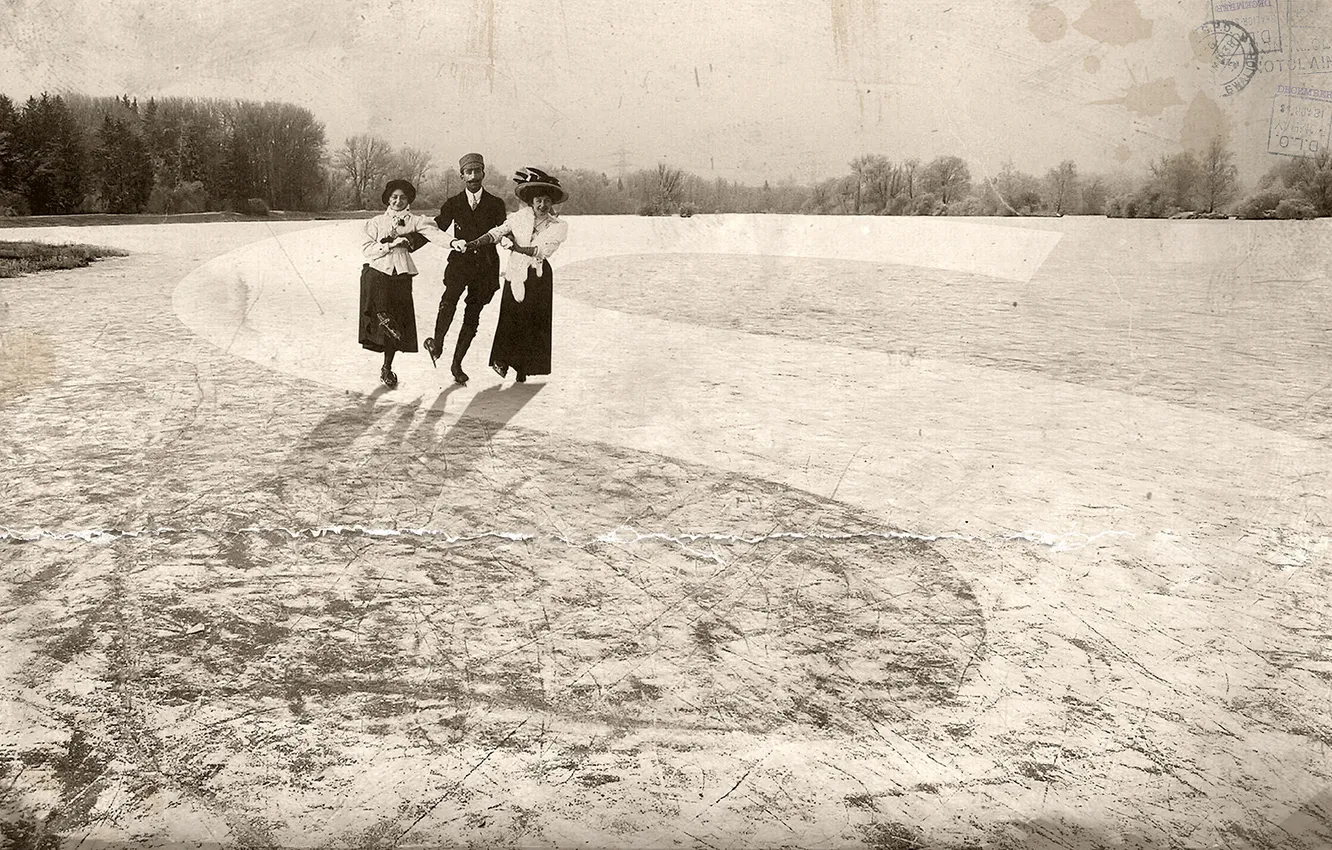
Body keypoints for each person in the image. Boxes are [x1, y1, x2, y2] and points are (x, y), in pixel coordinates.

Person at [464, 167, 569, 383]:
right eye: (539, 200)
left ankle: (524, 368)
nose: (542, 205)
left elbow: (541, 250)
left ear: (552, 203)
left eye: (547, 201)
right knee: (510, 316)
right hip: (516, 271)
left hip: (538, 275)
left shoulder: (559, 226)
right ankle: (502, 360)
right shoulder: (519, 217)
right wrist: (476, 242)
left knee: (532, 321)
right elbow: (497, 232)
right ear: (531, 201)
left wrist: (515, 247)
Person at [424, 153, 509, 385]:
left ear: (484, 173)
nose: (473, 177)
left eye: (477, 171)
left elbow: (504, 231)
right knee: (449, 299)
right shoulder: (453, 203)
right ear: (461, 176)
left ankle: (457, 364)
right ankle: (438, 343)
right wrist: (410, 241)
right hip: (460, 263)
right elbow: (436, 228)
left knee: (473, 313)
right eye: (468, 172)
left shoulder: (496, 204)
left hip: (486, 265)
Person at [359, 179, 445, 389]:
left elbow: (435, 234)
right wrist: (389, 246)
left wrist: (453, 243)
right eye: (394, 197)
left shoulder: (414, 221)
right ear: (388, 199)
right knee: (384, 314)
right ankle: (381, 316)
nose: (398, 201)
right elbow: (366, 249)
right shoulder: (376, 222)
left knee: (395, 328)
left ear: (409, 200)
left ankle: (387, 367)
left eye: (403, 198)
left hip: (402, 276)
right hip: (378, 272)